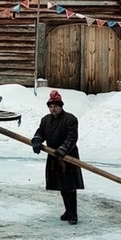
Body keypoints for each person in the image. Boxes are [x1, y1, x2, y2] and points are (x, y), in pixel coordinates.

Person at [31, 89, 85, 224]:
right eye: (51, 106)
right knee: (62, 185)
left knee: (69, 186)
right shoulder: (45, 120)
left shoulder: (70, 119)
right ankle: (68, 211)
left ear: (61, 106)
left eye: (55, 106)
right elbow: (41, 132)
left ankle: (73, 214)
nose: (53, 109)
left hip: (68, 157)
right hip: (54, 157)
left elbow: (72, 138)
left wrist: (62, 150)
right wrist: (37, 140)